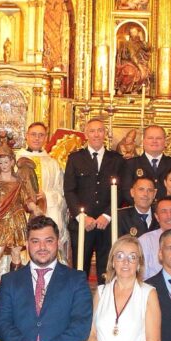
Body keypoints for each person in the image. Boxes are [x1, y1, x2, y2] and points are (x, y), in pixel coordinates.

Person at [0, 138, 42, 282]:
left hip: (17, 218)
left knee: (16, 252)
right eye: (1, 162)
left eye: (7, 162)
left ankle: (13, 282)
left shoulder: (19, 181)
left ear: (12, 162)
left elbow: (26, 199)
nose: (4, 165)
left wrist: (34, 207)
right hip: (2, 219)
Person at [64, 118, 126, 280]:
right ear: (86, 134)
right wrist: (82, 217)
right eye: (92, 131)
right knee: (80, 268)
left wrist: (107, 215)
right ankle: (80, 303)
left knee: (106, 269)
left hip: (107, 224)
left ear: (105, 133)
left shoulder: (117, 159)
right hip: (83, 224)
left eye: (100, 130)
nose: (96, 134)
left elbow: (120, 190)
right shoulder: (75, 158)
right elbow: (69, 190)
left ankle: (104, 301)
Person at [18, 122, 70, 262]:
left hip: (47, 211)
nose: (37, 138)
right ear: (26, 136)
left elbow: (61, 192)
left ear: (45, 138)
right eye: (33, 135)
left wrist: (46, 195)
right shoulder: (16, 160)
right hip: (22, 213)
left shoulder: (53, 163)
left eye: (41, 135)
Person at [121, 125, 171, 199]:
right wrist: (144, 208)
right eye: (150, 138)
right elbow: (126, 191)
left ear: (165, 141)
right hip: (142, 209)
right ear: (143, 141)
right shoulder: (130, 164)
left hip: (167, 209)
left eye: (158, 138)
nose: (154, 141)